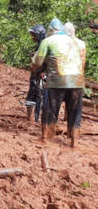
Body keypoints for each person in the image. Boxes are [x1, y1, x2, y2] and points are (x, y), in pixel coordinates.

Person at [32, 18, 86, 147]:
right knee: (75, 111)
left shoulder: (48, 41)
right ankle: (74, 141)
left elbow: (37, 62)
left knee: (50, 109)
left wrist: (35, 70)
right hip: (77, 81)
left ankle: (45, 138)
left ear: (50, 30)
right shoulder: (77, 42)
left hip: (58, 80)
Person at [25, 24, 47, 123]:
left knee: (34, 94)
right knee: (38, 94)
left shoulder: (44, 44)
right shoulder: (42, 44)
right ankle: (34, 118)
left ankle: (30, 119)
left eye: (34, 35)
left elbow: (44, 60)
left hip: (39, 73)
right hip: (40, 73)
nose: (33, 37)